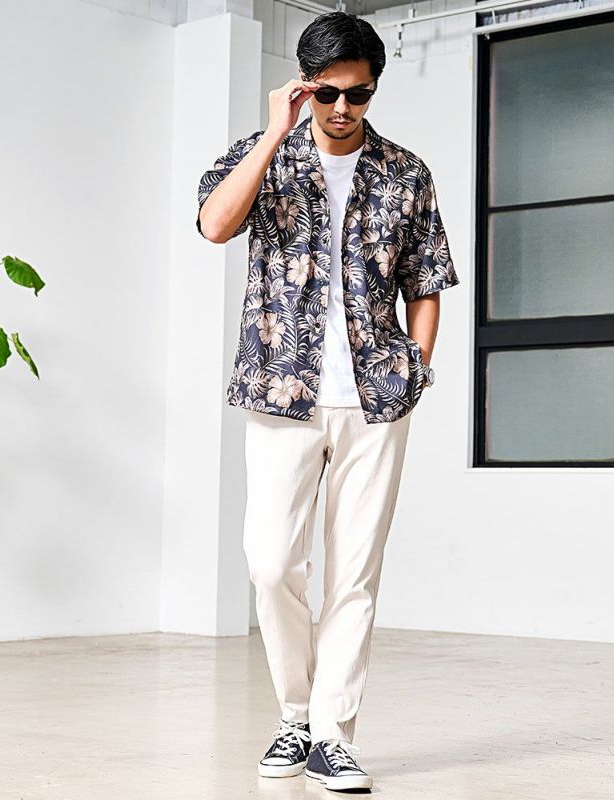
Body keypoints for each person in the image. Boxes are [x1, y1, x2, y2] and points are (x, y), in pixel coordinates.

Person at [195, 11, 459, 792]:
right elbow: (214, 225)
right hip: (283, 390)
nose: (344, 108)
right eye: (329, 93)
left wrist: (415, 371)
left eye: (360, 93)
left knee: (353, 574)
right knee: (272, 562)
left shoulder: (406, 173)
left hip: (375, 400)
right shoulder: (264, 154)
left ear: (374, 88)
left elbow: (427, 282)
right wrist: (274, 134)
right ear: (305, 87)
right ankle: (294, 717)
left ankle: (334, 735)